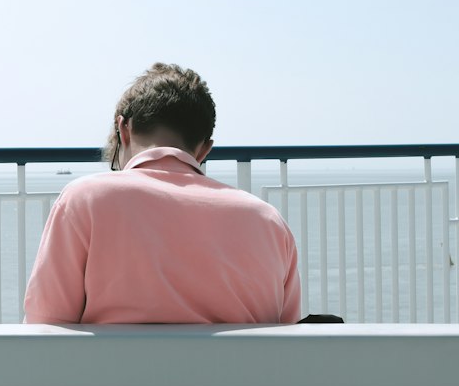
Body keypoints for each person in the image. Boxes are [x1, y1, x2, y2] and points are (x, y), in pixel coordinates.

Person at [23, 63, 301, 324]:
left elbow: (45, 328)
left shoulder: (85, 200)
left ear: (123, 129)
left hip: (113, 376)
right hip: (242, 377)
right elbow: (290, 342)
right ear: (205, 150)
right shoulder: (268, 221)